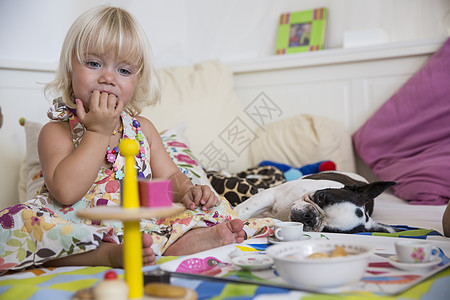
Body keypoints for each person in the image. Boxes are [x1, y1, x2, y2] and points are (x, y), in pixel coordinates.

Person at [0, 6, 272, 272]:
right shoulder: (56, 130)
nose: (107, 77)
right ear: (70, 69)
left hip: (139, 219)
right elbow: (66, 192)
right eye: (94, 63)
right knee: (19, 224)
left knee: (204, 209)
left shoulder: (143, 129)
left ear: (137, 81)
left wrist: (188, 190)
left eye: (124, 71)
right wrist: (98, 131)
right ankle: (107, 255)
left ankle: (181, 241)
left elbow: (168, 180)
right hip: (76, 221)